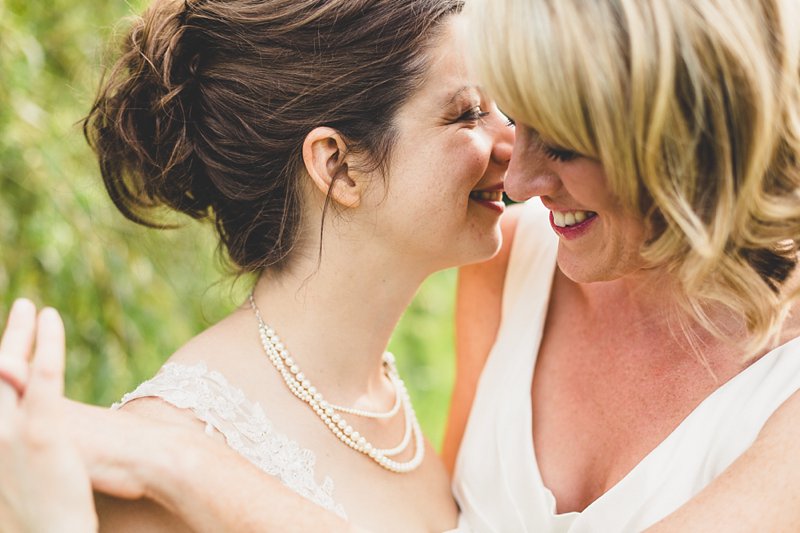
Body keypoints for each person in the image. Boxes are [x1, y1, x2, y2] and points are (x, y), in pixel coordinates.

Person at [61, 0, 512, 530]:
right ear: (339, 166)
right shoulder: (166, 457)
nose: (514, 141)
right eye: (468, 114)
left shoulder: (378, 396)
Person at [445, 0, 800, 531]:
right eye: (518, 120)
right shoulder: (511, 259)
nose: (518, 182)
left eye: (563, 144)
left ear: (695, 136)